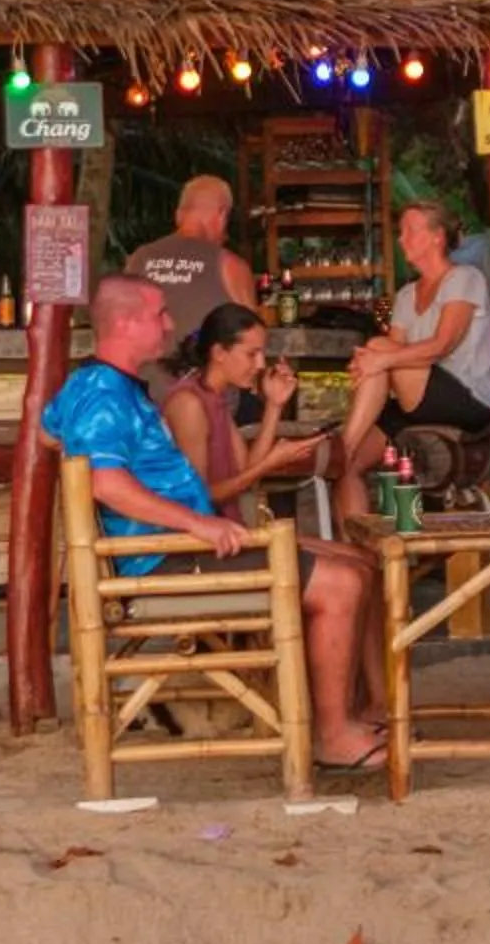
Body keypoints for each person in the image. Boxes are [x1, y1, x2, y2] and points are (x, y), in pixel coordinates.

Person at [43, 275, 384, 772]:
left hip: (173, 550)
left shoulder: (101, 388)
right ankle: (331, 735)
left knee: (352, 563)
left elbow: (48, 432)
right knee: (342, 583)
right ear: (126, 323)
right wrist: (198, 525)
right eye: (159, 313)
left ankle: (340, 717)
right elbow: (105, 483)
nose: (171, 324)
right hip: (165, 562)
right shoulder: (103, 392)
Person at [333, 202, 490, 479]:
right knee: (349, 469)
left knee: (378, 348)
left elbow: (442, 345)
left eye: (410, 230)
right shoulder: (405, 295)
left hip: (467, 399)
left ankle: (343, 446)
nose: (401, 239)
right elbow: (392, 353)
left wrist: (379, 359)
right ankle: (345, 468)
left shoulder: (466, 278)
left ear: (437, 237)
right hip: (416, 398)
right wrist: (369, 366)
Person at [161, 303, 327, 522]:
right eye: (252, 354)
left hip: (228, 534)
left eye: (261, 354)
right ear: (219, 352)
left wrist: (274, 405)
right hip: (203, 544)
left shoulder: (214, 396)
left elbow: (245, 469)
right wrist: (269, 464)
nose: (260, 364)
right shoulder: (188, 403)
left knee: (350, 555)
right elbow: (199, 497)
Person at [120, 176, 260, 354]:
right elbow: (254, 340)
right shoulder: (230, 265)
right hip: (203, 380)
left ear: (179, 214)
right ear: (222, 215)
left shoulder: (138, 259)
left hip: (142, 380)